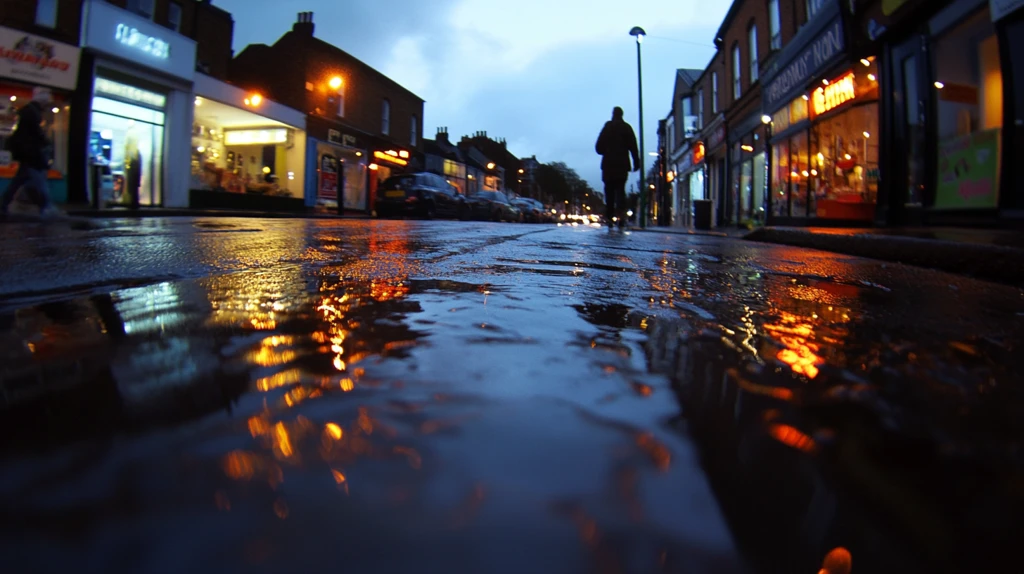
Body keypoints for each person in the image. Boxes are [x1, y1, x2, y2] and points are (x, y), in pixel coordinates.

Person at [1, 101, 57, 219]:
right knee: (39, 184)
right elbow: (39, 140)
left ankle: (4, 206)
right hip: (33, 159)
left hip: (28, 158)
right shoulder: (32, 126)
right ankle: (45, 208)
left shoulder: (23, 126)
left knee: (17, 183)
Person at [595, 106, 639, 230]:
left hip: (608, 165)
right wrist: (636, 162)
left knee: (609, 192)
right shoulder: (627, 128)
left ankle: (609, 218)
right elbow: (633, 147)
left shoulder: (607, 127)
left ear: (613, 114)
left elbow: (598, 147)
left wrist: (607, 150)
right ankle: (621, 218)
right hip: (622, 165)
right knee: (620, 191)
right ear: (622, 115)